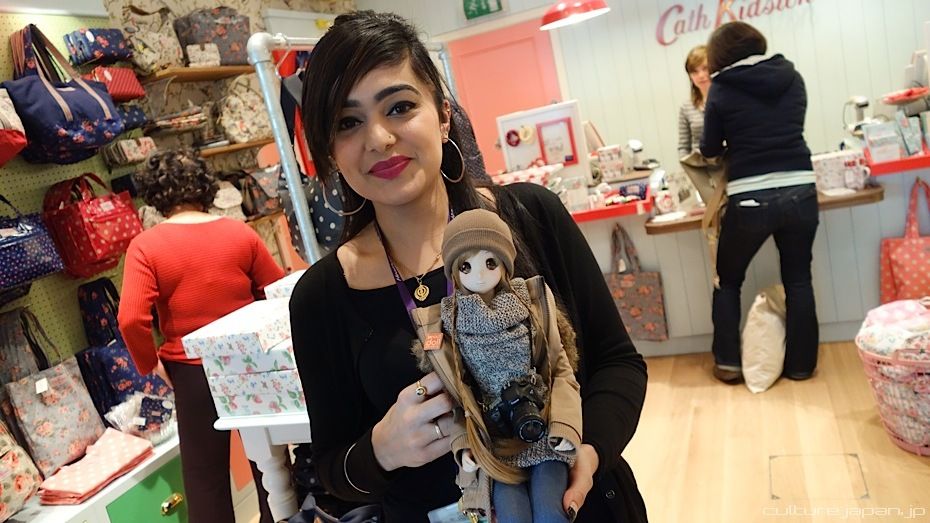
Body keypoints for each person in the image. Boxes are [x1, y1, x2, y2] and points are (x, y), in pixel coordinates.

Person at [290, 10, 648, 523]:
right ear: (329, 149)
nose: (379, 138)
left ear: (442, 115)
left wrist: (587, 452)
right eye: (348, 122)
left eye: (399, 107)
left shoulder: (531, 216)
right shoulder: (323, 296)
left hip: (576, 504)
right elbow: (331, 471)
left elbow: (618, 364)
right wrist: (382, 449)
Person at [118, 149, 285, 523]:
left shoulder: (146, 245)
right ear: (207, 186)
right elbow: (276, 292)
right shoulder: (239, 232)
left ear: (154, 195)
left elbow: (130, 319)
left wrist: (150, 363)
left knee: (204, 476)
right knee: (269, 463)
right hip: (248, 361)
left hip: (192, 370)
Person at [412, 208, 582, 522]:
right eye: (466, 266)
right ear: (454, 272)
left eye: (490, 262)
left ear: (505, 263)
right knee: (512, 516)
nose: (479, 275)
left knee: (550, 512)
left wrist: (565, 426)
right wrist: (464, 444)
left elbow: (560, 371)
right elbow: (460, 399)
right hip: (494, 442)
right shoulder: (450, 324)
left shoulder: (531, 306)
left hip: (542, 423)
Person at [700, 21, 819, 384]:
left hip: (750, 196)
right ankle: (801, 366)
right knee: (798, 279)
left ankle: (728, 364)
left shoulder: (721, 88)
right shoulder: (792, 77)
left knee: (728, 280)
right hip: (801, 188)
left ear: (719, 54)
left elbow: (709, 148)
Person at [678, 45, 711, 158]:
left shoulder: (727, 100)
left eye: (705, 68)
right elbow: (683, 146)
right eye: (695, 72)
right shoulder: (686, 107)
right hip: (698, 165)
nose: (701, 75)